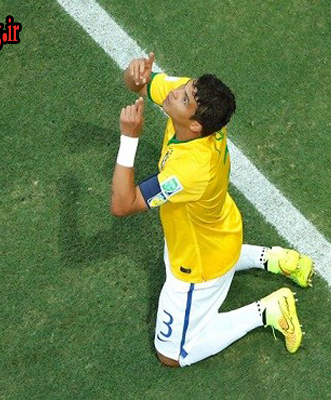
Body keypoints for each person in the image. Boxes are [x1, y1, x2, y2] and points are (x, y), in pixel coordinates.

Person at [110, 52, 314, 367]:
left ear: (194, 124)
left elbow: (123, 204)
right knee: (216, 248)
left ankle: (267, 310)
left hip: (198, 264)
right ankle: (274, 259)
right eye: (184, 89)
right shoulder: (199, 105)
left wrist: (129, 139)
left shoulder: (190, 170)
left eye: (183, 98)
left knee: (172, 355)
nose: (174, 92)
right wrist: (134, 73)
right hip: (220, 231)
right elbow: (139, 84)